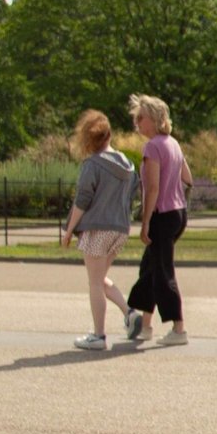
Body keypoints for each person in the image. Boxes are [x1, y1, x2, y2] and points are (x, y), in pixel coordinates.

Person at [61, 110, 139, 350]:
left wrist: (69, 230)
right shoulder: (128, 165)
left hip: (97, 229)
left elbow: (82, 201)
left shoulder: (92, 164)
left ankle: (98, 335)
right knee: (100, 278)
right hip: (120, 228)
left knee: (94, 283)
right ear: (109, 134)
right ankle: (129, 313)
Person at [124, 94, 193, 345]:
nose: (137, 123)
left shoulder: (152, 147)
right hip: (178, 212)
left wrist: (145, 223)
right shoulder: (173, 143)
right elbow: (188, 178)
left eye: (140, 118)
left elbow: (152, 188)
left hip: (162, 215)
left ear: (153, 119)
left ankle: (179, 329)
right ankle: (145, 326)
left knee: (162, 271)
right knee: (150, 269)